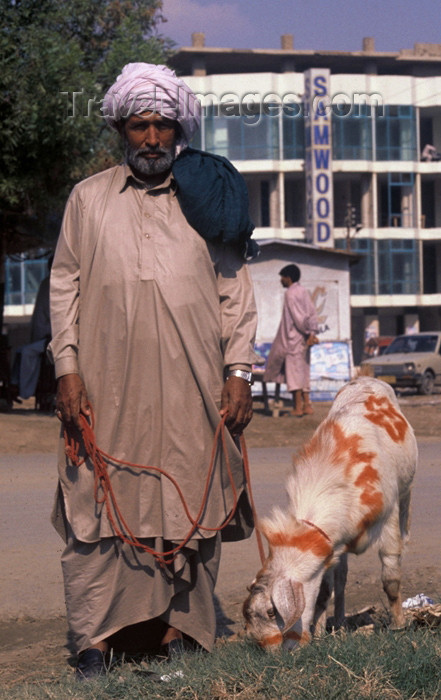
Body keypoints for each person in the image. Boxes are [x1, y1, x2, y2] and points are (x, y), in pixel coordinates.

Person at [48, 62, 258, 680]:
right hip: (105, 385)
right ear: (120, 128)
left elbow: (235, 291)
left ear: (178, 128)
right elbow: (65, 285)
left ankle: (185, 631)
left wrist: (239, 370)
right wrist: (66, 368)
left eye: (162, 125)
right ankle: (96, 640)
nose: (151, 138)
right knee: (97, 503)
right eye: (139, 125)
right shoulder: (88, 199)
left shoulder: (208, 198)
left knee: (192, 494)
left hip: (195, 386)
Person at [264, 264, 318, 417]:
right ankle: (307, 405)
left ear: (288, 278)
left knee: (294, 373)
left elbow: (298, 317)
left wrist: (307, 332)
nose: (281, 280)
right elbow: (312, 313)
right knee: (304, 371)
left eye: (282, 277)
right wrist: (312, 333)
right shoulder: (304, 291)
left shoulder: (291, 293)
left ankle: (298, 407)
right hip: (305, 338)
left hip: (294, 338)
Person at [10, 255, 53, 402]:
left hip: (51, 337)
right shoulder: (46, 284)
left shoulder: (54, 285)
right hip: (44, 335)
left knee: (28, 352)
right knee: (21, 351)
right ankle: (15, 385)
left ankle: (25, 390)